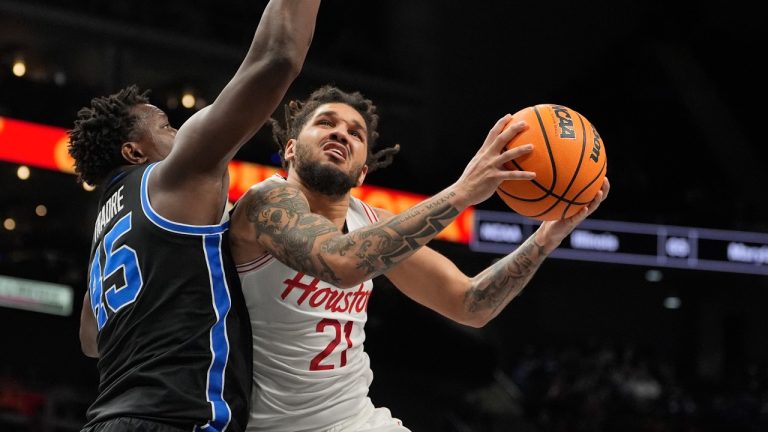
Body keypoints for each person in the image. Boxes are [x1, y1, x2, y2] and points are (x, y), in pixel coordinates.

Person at [228, 84, 610, 431]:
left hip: (357, 421)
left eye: (355, 133)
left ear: (362, 173)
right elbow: (340, 262)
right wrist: (462, 192)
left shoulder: (372, 221)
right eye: (326, 123)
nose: (341, 133)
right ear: (291, 148)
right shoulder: (266, 203)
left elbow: (470, 303)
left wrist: (546, 238)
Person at [68, 1, 321, 431]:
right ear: (134, 151)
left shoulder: (105, 226)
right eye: (166, 126)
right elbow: (277, 58)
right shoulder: (173, 177)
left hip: (107, 419)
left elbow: (91, 341)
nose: (179, 131)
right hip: (178, 418)